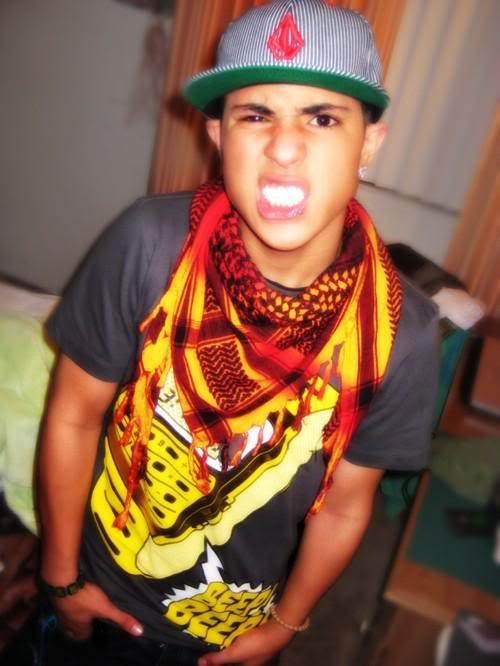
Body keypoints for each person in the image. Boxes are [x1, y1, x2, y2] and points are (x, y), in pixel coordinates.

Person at [11, 1, 439, 665]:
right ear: (217, 133)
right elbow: (73, 413)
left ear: (370, 143)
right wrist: (61, 579)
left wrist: (285, 626)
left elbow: (345, 507)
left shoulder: (400, 335)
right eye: (255, 114)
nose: (284, 147)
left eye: (322, 117)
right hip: (97, 589)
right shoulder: (147, 245)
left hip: (228, 631)